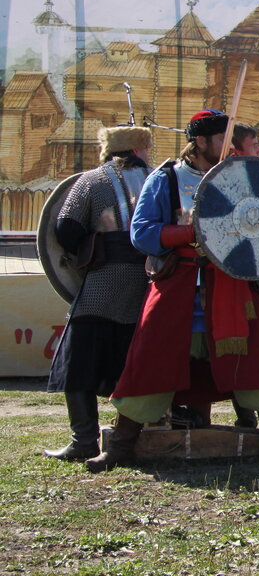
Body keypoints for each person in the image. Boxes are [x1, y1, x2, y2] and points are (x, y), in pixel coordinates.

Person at [87, 110, 259, 472]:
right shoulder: (167, 179)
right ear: (200, 142)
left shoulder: (242, 176)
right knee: (151, 357)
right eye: (221, 139)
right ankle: (121, 445)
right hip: (180, 281)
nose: (229, 147)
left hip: (233, 282)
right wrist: (192, 231)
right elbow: (143, 235)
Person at [44, 125, 152, 461]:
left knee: (79, 361)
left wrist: (89, 252)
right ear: (137, 149)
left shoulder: (91, 181)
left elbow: (66, 227)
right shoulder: (161, 180)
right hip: (152, 283)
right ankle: (142, 436)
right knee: (144, 363)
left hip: (103, 283)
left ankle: (84, 440)